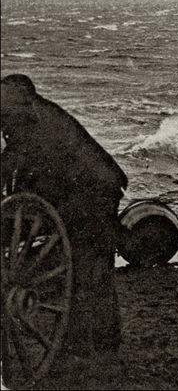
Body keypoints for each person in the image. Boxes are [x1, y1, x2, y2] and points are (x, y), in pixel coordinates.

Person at [0, 74, 128, 356]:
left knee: (84, 265)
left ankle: (83, 346)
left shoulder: (34, 122)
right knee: (94, 267)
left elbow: (19, 162)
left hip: (93, 192)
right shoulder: (38, 113)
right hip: (93, 185)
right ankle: (103, 341)